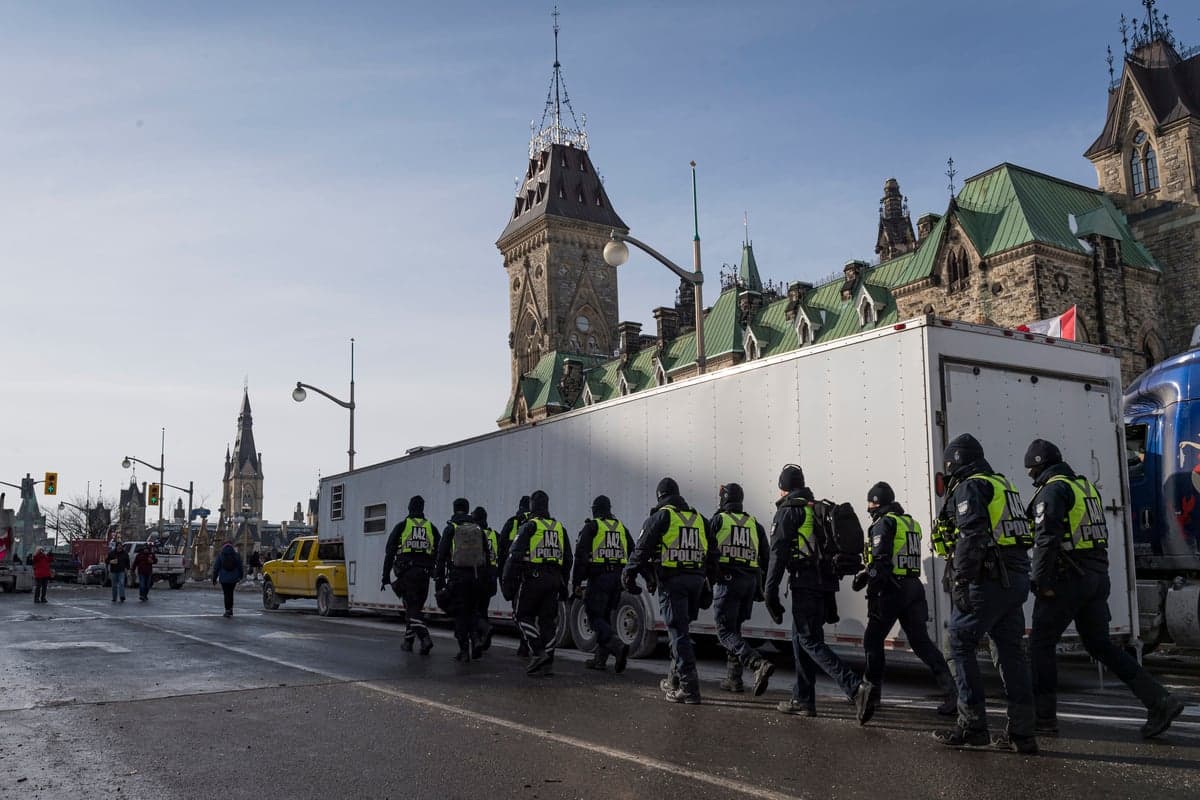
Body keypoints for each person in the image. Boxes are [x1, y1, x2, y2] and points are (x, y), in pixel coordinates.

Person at [1025, 439, 1185, 739]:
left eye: (1031, 471)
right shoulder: (1085, 488)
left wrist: (1040, 582)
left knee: (1040, 646)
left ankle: (1043, 719)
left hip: (1067, 579)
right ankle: (1160, 700)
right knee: (1100, 646)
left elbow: (1046, 539)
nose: (1031, 477)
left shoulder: (1053, 491)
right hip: (1096, 577)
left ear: (1038, 467)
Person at [933, 434, 1037, 754]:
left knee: (957, 644)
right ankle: (1022, 734)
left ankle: (972, 725)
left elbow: (972, 534)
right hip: (1014, 579)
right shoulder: (1003, 484)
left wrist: (962, 579)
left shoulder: (971, 486)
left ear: (956, 463)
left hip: (988, 580)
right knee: (1010, 654)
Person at [766, 464, 873, 721]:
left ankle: (855, 688)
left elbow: (777, 554)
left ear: (784, 488)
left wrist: (769, 591)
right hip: (823, 583)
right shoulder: (817, 508)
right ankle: (803, 700)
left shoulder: (789, 511)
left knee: (809, 640)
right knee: (800, 640)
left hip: (804, 582)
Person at [853, 481, 955, 715]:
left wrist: (869, 585)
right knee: (921, 643)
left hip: (892, 589)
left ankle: (870, 696)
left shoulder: (883, 523)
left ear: (877, 502)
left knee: (872, 640)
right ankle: (953, 692)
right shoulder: (910, 522)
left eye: (870, 502)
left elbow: (881, 563)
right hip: (913, 587)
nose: (868, 508)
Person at [623, 477, 709, 704]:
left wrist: (629, 574)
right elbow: (713, 554)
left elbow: (641, 549)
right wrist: (708, 583)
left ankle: (690, 689)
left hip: (673, 583)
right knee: (680, 632)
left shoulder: (662, 517)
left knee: (678, 634)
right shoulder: (699, 518)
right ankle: (674, 680)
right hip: (696, 582)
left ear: (660, 497)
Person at [707, 482, 774, 695]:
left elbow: (707, 551)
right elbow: (766, 558)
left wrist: (709, 577)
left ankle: (756, 664)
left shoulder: (719, 520)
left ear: (724, 499)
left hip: (728, 582)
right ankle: (734, 679)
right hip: (749, 584)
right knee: (734, 630)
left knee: (724, 631)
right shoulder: (754, 524)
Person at [502, 490, 571, 676]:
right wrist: (564, 583)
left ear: (532, 506)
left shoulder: (529, 526)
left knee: (521, 616)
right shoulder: (559, 528)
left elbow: (514, 556)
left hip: (533, 578)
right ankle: (548, 663)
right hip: (554, 580)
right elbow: (568, 558)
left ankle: (538, 651)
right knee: (548, 622)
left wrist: (507, 583)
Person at [570, 495, 633, 673]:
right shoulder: (621, 528)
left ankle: (617, 645)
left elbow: (581, 556)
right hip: (617, 580)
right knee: (604, 617)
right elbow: (633, 550)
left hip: (599, 579)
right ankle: (600, 660)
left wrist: (576, 581)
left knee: (594, 616)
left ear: (595, 510)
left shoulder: (593, 526)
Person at [436, 498, 492, 662]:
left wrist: (439, 580)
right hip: (476, 576)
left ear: (454, 510)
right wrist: (485, 578)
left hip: (457, 577)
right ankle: (475, 640)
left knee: (460, 614)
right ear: (467, 510)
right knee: (472, 611)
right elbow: (486, 555)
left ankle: (464, 651)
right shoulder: (478, 529)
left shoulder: (451, 529)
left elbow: (441, 556)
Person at [381, 496, 438, 655]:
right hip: (425, 575)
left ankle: (425, 638)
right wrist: (436, 572)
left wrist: (385, 576)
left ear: (409, 508)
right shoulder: (431, 528)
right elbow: (440, 552)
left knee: (412, 610)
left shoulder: (402, 526)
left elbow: (390, 552)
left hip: (407, 575)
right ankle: (408, 641)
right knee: (415, 608)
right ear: (422, 508)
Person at [499, 495, 532, 657]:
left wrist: (502, 578)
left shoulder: (512, 523)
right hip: (532, 575)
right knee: (530, 612)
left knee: (518, 612)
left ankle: (525, 645)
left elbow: (501, 552)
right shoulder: (536, 523)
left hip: (514, 574)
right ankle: (528, 644)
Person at [472, 506, 498, 652]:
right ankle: (485, 642)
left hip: (478, 575)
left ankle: (478, 641)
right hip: (491, 578)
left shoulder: (474, 534)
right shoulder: (494, 534)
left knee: (474, 611)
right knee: (484, 610)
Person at [212, 541, 245, 618]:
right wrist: (241, 576)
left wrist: (214, 578)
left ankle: (227, 610)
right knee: (231, 593)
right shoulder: (236, 555)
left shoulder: (220, 555)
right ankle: (230, 609)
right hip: (234, 578)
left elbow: (216, 568)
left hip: (224, 578)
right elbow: (240, 567)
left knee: (226, 594)